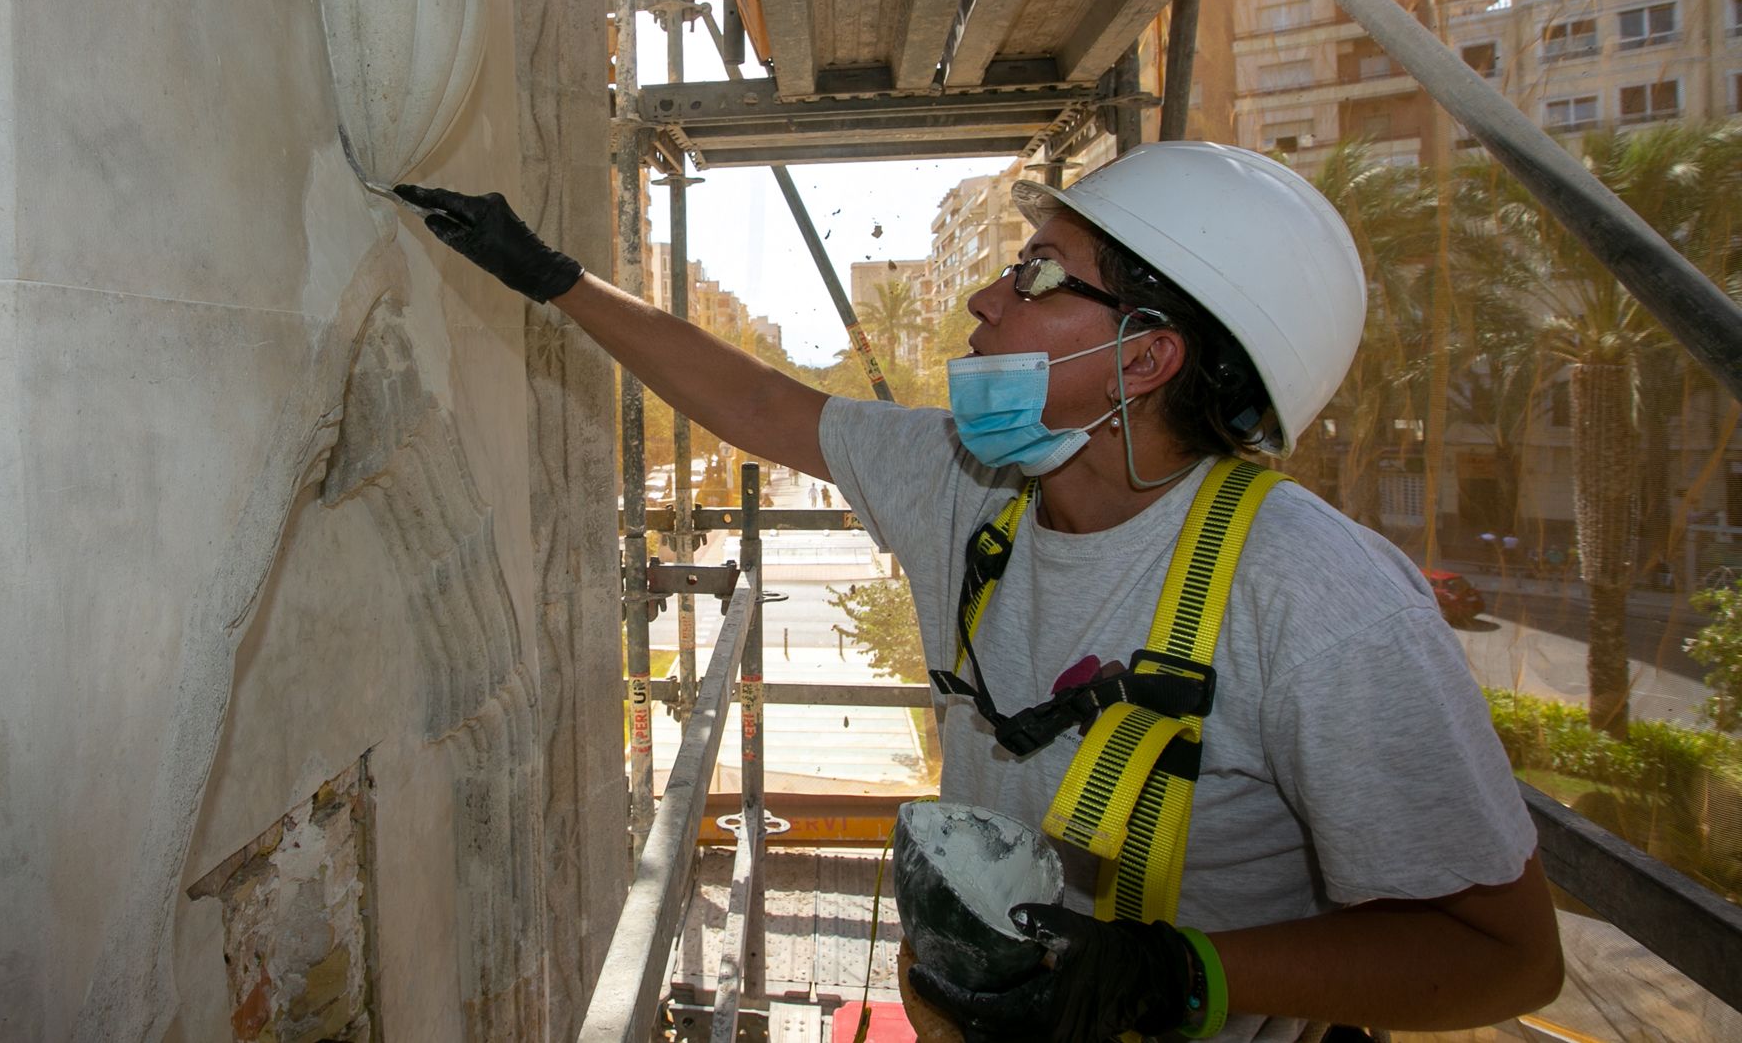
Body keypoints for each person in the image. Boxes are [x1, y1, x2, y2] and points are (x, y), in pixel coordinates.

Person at [397, 142, 1561, 1042]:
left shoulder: (1315, 601)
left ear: (1145, 357)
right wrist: (552, 277)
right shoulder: (971, 482)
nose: (984, 301)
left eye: (1039, 276)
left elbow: (1505, 955)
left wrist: (1189, 971)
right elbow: (757, 404)